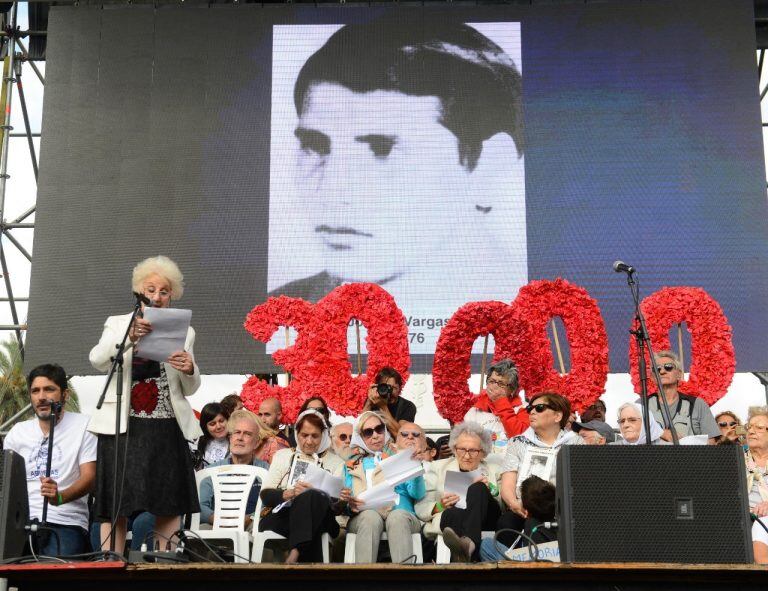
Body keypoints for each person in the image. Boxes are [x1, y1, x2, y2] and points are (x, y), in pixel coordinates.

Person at [269, 19, 525, 351]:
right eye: (316, 146)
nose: (333, 190)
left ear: (486, 167)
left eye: (382, 149)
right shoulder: (278, 313)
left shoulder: (537, 317)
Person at [88, 255, 201, 552]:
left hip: (166, 425)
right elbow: (98, 360)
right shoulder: (118, 324)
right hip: (124, 427)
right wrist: (129, 338)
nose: (157, 296)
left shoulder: (184, 330)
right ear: (139, 290)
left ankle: (166, 565)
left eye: (164, 291)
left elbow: (190, 388)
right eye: (151, 289)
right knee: (116, 504)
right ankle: (111, 564)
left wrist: (189, 369)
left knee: (168, 501)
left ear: (171, 295)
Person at [4, 364, 97, 556]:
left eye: (49, 389)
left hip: (65, 522)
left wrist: (60, 497)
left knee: (52, 577)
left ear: (65, 394)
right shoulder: (18, 432)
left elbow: (90, 477)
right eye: (35, 391)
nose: (41, 397)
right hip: (17, 523)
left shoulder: (84, 425)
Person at [258, 410, 345, 563]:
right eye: (304, 435)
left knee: (311, 495)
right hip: (284, 516)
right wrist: (290, 493)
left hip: (325, 517)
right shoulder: (283, 456)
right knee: (312, 526)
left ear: (323, 435)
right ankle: (300, 556)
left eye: (315, 436)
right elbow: (265, 495)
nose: (309, 441)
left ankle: (295, 553)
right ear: (297, 434)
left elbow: (338, 508)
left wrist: (331, 498)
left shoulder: (337, 463)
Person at [497, 392, 582, 545]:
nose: (532, 412)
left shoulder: (576, 442)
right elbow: (507, 485)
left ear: (557, 416)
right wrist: (513, 503)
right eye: (530, 409)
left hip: (562, 509)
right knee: (507, 521)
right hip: (524, 508)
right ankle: (510, 567)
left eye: (540, 408)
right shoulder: (517, 442)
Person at [343, 411, 425, 563]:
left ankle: (404, 580)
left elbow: (418, 494)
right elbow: (347, 500)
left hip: (403, 516)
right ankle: (365, 581)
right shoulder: (350, 465)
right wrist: (350, 505)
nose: (375, 435)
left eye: (379, 429)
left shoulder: (400, 456)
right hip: (364, 517)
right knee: (370, 517)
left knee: (397, 517)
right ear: (360, 437)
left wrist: (415, 467)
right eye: (368, 432)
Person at [416, 421, 502, 562]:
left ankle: (467, 549)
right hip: (453, 518)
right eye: (462, 449)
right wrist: (441, 506)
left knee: (478, 488)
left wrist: (490, 490)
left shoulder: (494, 469)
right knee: (452, 513)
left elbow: (504, 507)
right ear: (454, 449)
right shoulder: (438, 467)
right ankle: (465, 555)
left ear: (483, 453)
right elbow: (422, 508)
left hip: (487, 519)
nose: (467, 456)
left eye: (473, 451)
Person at [199, 410, 269, 529]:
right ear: (230, 438)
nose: (240, 438)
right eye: (237, 433)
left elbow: (269, 504)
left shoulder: (266, 470)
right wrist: (216, 518)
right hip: (216, 524)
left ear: (257, 443)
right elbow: (200, 505)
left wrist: (251, 518)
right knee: (200, 531)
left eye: (247, 434)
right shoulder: (210, 471)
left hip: (251, 526)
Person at [642, 351, 720, 443]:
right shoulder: (642, 405)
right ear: (652, 377)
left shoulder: (697, 404)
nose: (662, 371)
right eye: (657, 369)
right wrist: (661, 433)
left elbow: (711, 442)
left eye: (668, 367)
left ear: (679, 374)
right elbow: (632, 437)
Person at [479, 476, 557, 561]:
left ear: (526, 513)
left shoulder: (531, 528)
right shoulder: (562, 522)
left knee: (486, 544)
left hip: (527, 566)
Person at [463, 359, 529, 455]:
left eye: (501, 384)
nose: (494, 386)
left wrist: (500, 401)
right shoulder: (475, 411)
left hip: (511, 467)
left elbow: (519, 438)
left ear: (512, 390)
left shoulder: (523, 408)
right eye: (492, 381)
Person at [362, 366, 416, 436]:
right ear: (378, 387)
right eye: (386, 387)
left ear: (399, 388)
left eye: (394, 388)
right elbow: (360, 427)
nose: (390, 392)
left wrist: (383, 407)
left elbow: (402, 435)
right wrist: (369, 402)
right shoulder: (373, 401)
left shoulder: (407, 406)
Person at [744, 407, 768, 564]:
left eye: (759, 428)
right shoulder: (734, 459)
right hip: (741, 517)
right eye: (749, 427)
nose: (751, 431)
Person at [194, 402, 230, 470]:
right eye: (212, 424)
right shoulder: (198, 445)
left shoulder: (237, 441)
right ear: (205, 427)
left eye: (221, 421)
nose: (218, 426)